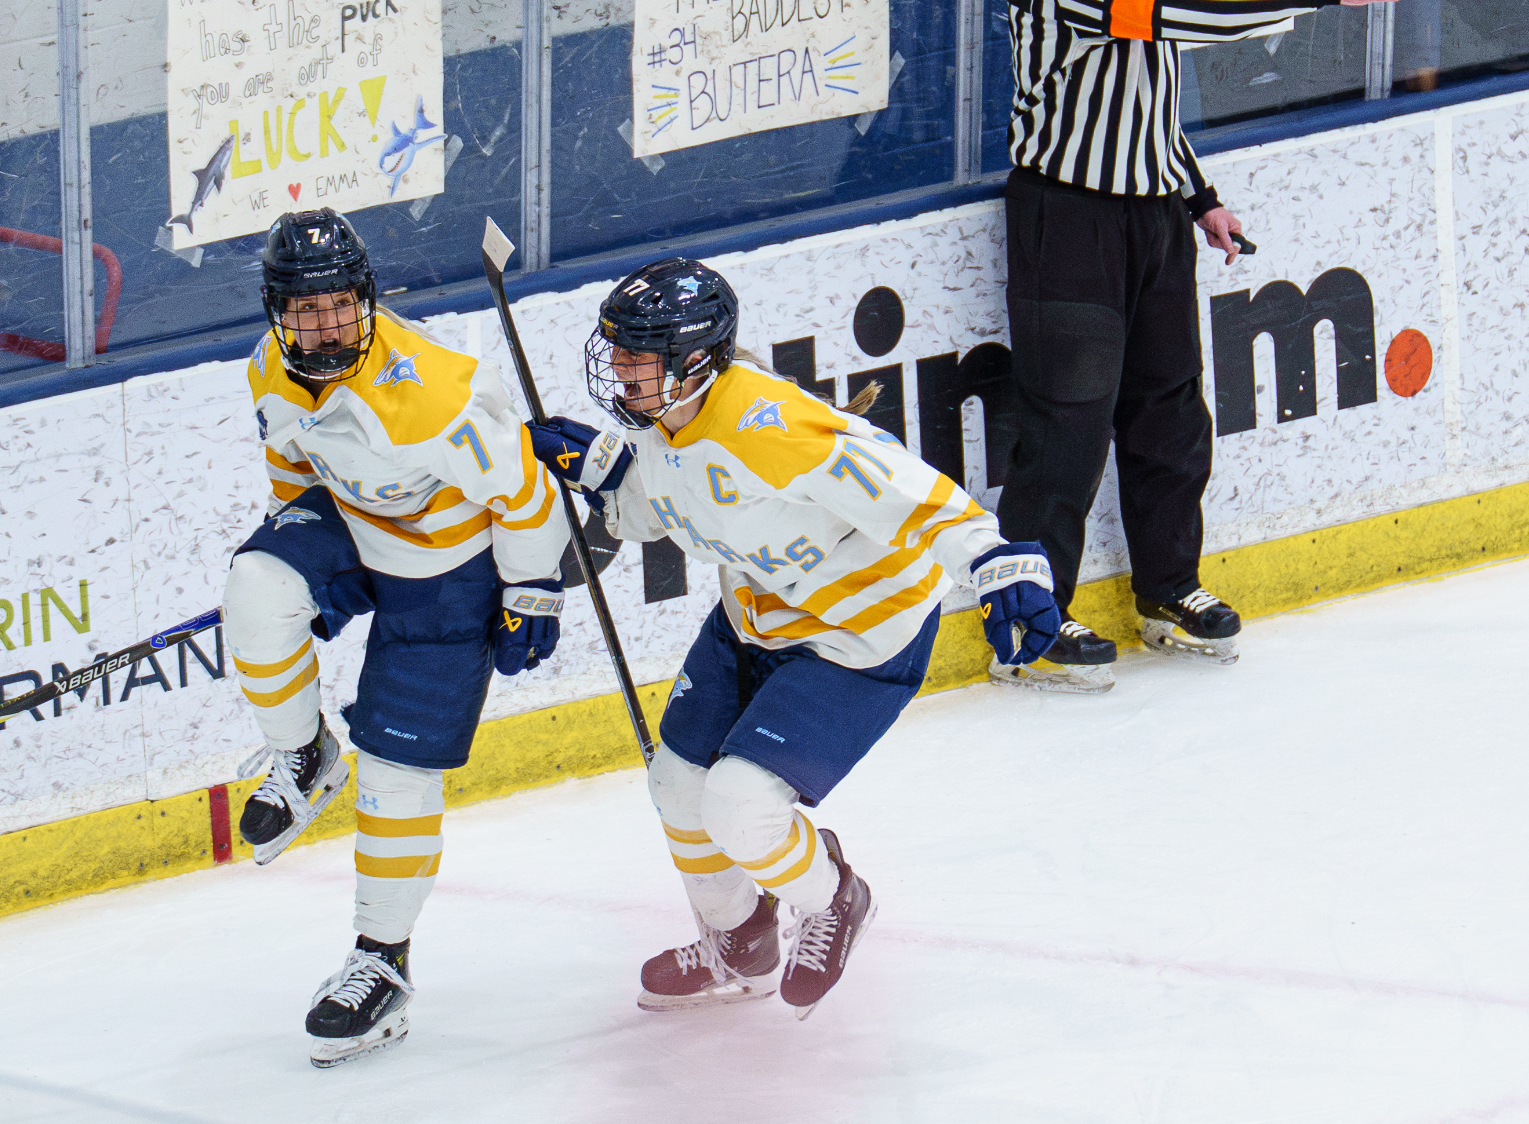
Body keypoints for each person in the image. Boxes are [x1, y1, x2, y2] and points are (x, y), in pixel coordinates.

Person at [526, 258, 1061, 1018]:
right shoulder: (664, 424)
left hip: (857, 634)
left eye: (637, 354)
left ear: (695, 360)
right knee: (677, 785)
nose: (617, 368)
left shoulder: (767, 426)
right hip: (753, 621)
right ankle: (739, 945)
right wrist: (605, 473)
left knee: (741, 804)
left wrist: (993, 558)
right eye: (615, 349)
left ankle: (834, 897)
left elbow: (907, 490)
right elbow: (661, 508)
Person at [220, 208, 569, 1066]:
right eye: (305, 311)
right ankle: (302, 756)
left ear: (366, 301)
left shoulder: (434, 398)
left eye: (339, 305)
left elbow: (525, 496)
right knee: (255, 586)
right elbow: (292, 472)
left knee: (395, 772)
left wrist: (531, 589)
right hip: (352, 525)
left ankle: (381, 965)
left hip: (451, 571)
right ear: (276, 313)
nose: (325, 325)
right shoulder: (268, 368)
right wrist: (293, 553)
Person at [992, 0, 1394, 692]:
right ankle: (1030, 623)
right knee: (1067, 426)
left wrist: (1197, 195)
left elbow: (1147, 103)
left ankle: (1168, 587)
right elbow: (1183, 21)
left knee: (1170, 409)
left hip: (1154, 217)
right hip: (1067, 217)